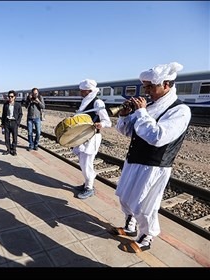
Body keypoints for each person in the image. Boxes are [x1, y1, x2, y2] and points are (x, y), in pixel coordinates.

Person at [111, 62, 191, 252]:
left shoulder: (179, 110)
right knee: (125, 198)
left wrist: (141, 112)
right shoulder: (152, 106)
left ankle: (146, 238)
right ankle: (130, 226)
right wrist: (124, 116)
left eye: (150, 87)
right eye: (145, 87)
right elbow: (128, 131)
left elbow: (158, 136)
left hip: (154, 166)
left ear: (167, 84)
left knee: (145, 205)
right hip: (135, 161)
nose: (146, 91)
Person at [72, 79, 111, 199]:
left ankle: (89, 188)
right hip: (83, 137)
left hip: (92, 138)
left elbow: (107, 121)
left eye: (82, 91)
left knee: (87, 164)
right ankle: (87, 183)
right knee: (83, 163)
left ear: (88, 91)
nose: (80, 93)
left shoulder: (97, 102)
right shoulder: (85, 101)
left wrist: (101, 124)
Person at [1, 90, 23, 156]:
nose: (10, 98)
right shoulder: (5, 104)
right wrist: (2, 124)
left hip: (14, 123)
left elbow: (20, 114)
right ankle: (8, 149)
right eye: (9, 96)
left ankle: (13, 150)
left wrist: (18, 122)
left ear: (14, 97)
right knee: (7, 137)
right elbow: (3, 114)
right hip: (7, 122)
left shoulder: (18, 105)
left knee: (14, 137)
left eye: (11, 96)